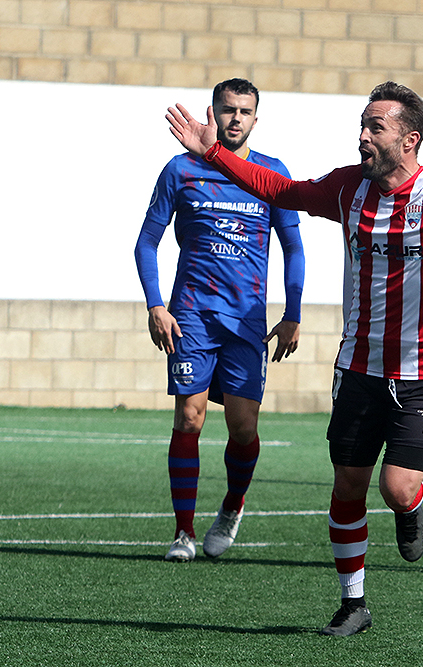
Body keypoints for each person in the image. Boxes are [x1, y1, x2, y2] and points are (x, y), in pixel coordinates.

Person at [165, 81, 423, 635]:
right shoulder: (348, 187)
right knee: (348, 485)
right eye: (362, 124)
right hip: (357, 368)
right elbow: (282, 190)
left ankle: (411, 509)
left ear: (410, 140)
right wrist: (213, 153)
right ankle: (352, 602)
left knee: (396, 487)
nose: (362, 136)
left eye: (374, 127)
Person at [134, 78, 305, 562]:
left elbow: (293, 247)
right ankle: (183, 533)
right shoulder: (180, 170)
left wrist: (293, 314)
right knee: (189, 419)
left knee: (243, 427)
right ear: (213, 111)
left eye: (244, 111)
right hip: (190, 318)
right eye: (227, 109)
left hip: (248, 321)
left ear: (256, 118)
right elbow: (146, 242)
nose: (235, 118)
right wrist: (155, 304)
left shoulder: (271, 173)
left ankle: (232, 505)